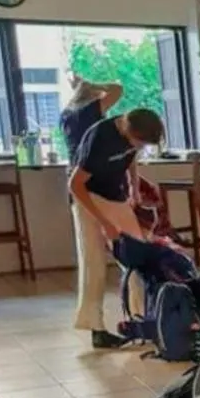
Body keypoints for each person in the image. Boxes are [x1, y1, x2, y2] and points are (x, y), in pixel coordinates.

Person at [67, 107, 164, 349]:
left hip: (115, 195)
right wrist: (105, 223)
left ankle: (142, 320)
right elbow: (75, 184)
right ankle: (96, 328)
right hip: (86, 197)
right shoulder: (100, 138)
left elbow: (131, 157)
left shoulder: (134, 134)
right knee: (95, 263)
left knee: (138, 256)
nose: (140, 147)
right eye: (139, 142)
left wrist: (134, 185)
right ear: (127, 129)